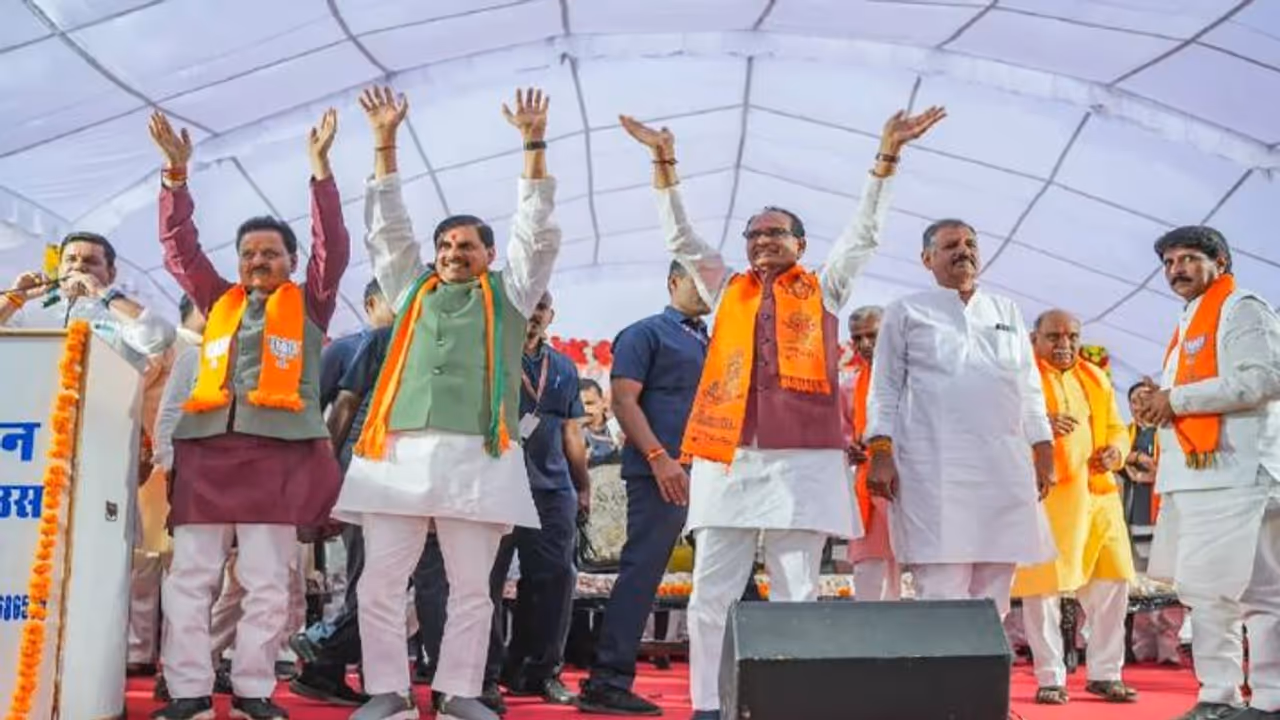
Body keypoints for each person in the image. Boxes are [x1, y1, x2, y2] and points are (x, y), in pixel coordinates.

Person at [617, 104, 944, 719]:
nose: (763, 241)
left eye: (776, 233)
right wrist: (663, 165)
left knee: (798, 590)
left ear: (800, 245)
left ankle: (793, 703)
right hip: (730, 457)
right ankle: (708, 706)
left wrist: (887, 158)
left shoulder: (827, 288)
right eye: (754, 234)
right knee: (712, 591)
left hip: (803, 460)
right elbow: (681, 240)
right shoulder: (726, 289)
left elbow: (865, 233)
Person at [330, 85, 560, 720]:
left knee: (471, 588)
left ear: (489, 256)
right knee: (377, 582)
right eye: (447, 247)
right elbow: (387, 229)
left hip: (477, 457)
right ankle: (388, 692)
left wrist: (532, 145)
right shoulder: (410, 292)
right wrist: (384, 141)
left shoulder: (510, 295)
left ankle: (459, 691)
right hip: (398, 452)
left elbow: (536, 233)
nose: (455, 255)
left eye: (469, 247)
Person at [148, 105, 350, 720]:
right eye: (249, 254)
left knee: (268, 584)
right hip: (208, 453)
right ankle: (188, 693)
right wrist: (175, 181)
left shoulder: (311, 305)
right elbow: (180, 253)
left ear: (291, 262)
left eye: (270, 254)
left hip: (280, 458)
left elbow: (331, 248)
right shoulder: (218, 302)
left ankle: (254, 689)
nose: (258, 262)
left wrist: (320, 174)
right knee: (190, 581)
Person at [865, 219, 1056, 623]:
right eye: (951, 245)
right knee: (941, 587)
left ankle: (982, 684)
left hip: (1002, 466)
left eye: (971, 243)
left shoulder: (1006, 310)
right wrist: (880, 451)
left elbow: (1029, 388)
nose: (963, 251)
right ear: (927, 258)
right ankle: (943, 684)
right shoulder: (906, 310)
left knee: (995, 590)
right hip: (933, 468)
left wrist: (1043, 448)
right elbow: (884, 389)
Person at [1135, 226, 1280, 720]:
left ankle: (1269, 698)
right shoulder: (1189, 320)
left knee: (1260, 592)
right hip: (1199, 480)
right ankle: (1218, 695)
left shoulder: (1242, 307)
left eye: (1189, 258)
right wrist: (1155, 404)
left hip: (1242, 476)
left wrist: (1174, 400)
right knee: (1204, 591)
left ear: (1220, 261)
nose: (1177, 269)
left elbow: (1263, 380)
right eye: (1170, 261)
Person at [577, 260, 711, 715]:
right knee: (642, 574)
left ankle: (732, 678)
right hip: (662, 472)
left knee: (728, 579)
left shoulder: (711, 340)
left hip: (710, 474)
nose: (709, 288)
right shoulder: (645, 333)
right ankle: (607, 682)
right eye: (699, 279)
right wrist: (659, 459)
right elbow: (623, 402)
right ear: (674, 281)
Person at [1012, 309, 1137, 705]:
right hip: (1048, 500)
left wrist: (1116, 452)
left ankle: (1105, 672)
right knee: (1042, 590)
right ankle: (1051, 677)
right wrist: (1039, 423)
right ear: (1035, 339)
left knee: (1112, 584)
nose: (1064, 345)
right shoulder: (1021, 378)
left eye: (1072, 336)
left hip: (1100, 498)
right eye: (1054, 337)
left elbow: (1118, 426)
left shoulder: (1095, 377)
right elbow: (997, 426)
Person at [487, 291, 591, 705]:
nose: (533, 315)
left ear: (551, 315)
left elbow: (571, 431)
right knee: (486, 582)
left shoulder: (563, 367)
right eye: (526, 307)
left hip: (551, 489)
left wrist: (581, 484)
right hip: (495, 486)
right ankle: (484, 674)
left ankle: (538, 671)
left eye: (541, 309)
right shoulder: (489, 357)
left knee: (554, 580)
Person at [1, 231, 176, 366]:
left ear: (111, 273)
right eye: (70, 260)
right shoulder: (29, 308)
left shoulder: (123, 315)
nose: (78, 267)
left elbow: (160, 337)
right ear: (59, 268)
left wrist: (101, 292)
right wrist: (14, 297)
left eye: (91, 261)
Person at [839, 305, 900, 601]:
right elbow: (843, 432)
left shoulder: (914, 378)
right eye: (857, 338)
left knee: (912, 571)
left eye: (872, 336)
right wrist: (850, 448)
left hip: (906, 488)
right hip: (868, 488)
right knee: (868, 572)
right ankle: (871, 642)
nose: (865, 344)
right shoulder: (850, 384)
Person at [579, 379, 622, 467]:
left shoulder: (617, 427)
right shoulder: (574, 435)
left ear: (603, 402)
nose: (584, 410)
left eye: (590, 403)